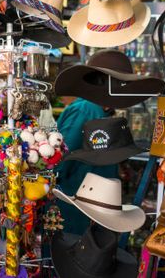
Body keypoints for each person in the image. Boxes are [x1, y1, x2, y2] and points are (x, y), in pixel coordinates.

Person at [54, 96, 118, 234]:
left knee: (68, 244)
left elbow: (63, 154)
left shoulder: (83, 110)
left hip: (74, 194)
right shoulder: (96, 111)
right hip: (91, 197)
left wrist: (51, 177)